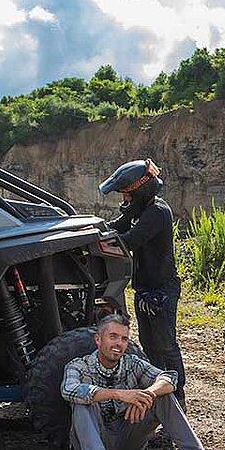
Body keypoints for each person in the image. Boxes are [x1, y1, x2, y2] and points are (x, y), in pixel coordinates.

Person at [60, 314, 225, 450]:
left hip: (129, 437)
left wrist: (145, 395)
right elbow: (69, 389)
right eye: (113, 337)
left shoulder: (132, 363)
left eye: (124, 339)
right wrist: (119, 394)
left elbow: (169, 379)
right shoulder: (78, 366)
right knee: (82, 402)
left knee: (162, 394)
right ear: (98, 339)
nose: (118, 344)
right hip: (93, 442)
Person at [99, 159, 186, 405]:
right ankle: (161, 399)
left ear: (140, 190)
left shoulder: (157, 212)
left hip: (161, 290)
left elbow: (129, 240)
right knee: (150, 346)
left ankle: (178, 400)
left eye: (126, 194)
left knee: (165, 346)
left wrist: (99, 243)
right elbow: (116, 226)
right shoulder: (139, 210)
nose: (124, 199)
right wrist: (91, 230)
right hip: (145, 289)